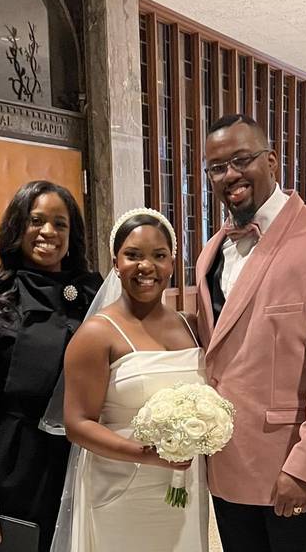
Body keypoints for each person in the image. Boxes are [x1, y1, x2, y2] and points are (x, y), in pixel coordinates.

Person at [196, 114, 306, 552]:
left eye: (241, 160)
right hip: (227, 465)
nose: (230, 176)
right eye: (217, 168)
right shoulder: (212, 250)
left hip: (291, 469)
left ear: (271, 160)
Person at [0, 180, 102, 550]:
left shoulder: (93, 294)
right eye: (36, 221)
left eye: (60, 223)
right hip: (16, 460)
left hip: (82, 455)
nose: (48, 232)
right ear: (18, 227)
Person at [59, 208, 208, 552]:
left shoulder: (191, 325)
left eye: (159, 256)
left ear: (172, 262)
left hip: (185, 483)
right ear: (115, 263)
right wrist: (148, 454)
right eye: (133, 255)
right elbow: (77, 423)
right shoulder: (96, 334)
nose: (146, 267)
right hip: (121, 485)